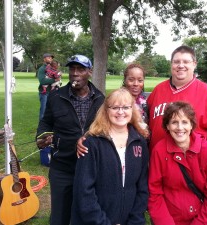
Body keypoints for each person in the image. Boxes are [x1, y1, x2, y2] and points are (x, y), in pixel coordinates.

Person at [36, 54, 105, 225]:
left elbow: (105, 128)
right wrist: (41, 137)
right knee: (60, 215)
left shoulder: (100, 98)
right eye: (72, 69)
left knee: (87, 213)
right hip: (62, 167)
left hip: (91, 168)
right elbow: (45, 122)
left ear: (89, 72)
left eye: (80, 69)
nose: (75, 73)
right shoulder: (56, 96)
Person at [147, 45, 207, 179]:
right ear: (171, 65)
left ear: (194, 64)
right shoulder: (158, 90)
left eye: (186, 62)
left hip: (193, 169)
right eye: (176, 62)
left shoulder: (206, 93)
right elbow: (146, 124)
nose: (180, 65)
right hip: (159, 166)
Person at [71, 88, 149, 225]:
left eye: (126, 107)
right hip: (96, 220)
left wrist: (135, 220)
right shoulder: (92, 143)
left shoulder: (140, 142)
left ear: (132, 109)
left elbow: (142, 187)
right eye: (115, 107)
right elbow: (84, 191)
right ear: (106, 111)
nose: (120, 112)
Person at [148, 101, 207, 225]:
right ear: (167, 126)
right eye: (174, 122)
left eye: (184, 122)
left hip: (201, 219)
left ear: (192, 125)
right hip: (169, 219)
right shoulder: (159, 151)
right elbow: (155, 193)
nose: (180, 128)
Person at [76, 62, 149, 157]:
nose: (136, 84)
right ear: (125, 80)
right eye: (131, 80)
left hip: (140, 148)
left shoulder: (146, 103)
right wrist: (86, 138)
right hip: (115, 148)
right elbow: (100, 122)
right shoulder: (115, 100)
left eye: (140, 80)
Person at [37, 53, 59, 120]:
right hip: (45, 93)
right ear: (44, 59)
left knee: (53, 111)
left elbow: (58, 77)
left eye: (51, 58)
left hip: (53, 92)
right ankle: (41, 129)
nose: (50, 59)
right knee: (43, 112)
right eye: (48, 57)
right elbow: (43, 81)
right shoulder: (42, 69)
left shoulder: (53, 68)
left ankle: (50, 128)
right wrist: (54, 80)